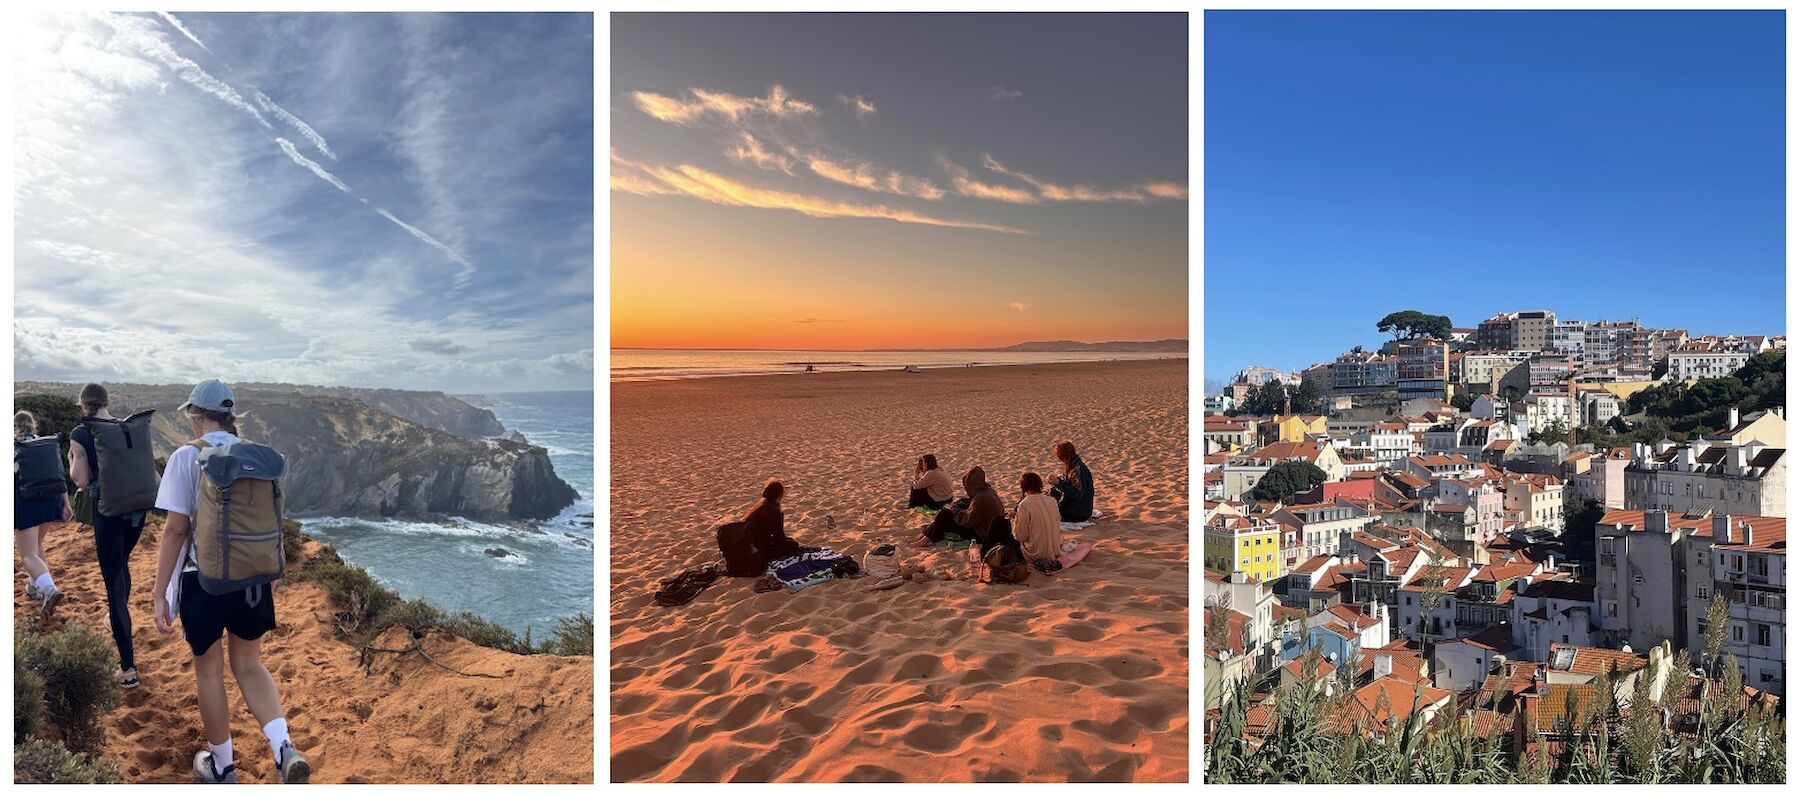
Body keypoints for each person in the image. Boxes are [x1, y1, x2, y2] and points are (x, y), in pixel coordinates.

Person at [150, 380, 309, 784]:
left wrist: (159, 592)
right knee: (250, 664)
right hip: (253, 579)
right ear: (229, 416)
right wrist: (270, 571)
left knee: (209, 671)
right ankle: (283, 748)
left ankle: (222, 767)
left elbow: (175, 530)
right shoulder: (256, 457)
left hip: (203, 580)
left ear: (196, 415)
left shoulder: (186, 456)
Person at [68, 383, 149, 689]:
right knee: (122, 563)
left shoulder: (82, 433)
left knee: (113, 588)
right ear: (107, 402)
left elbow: (81, 479)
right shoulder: (125, 428)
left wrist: (72, 458)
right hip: (137, 513)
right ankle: (115, 616)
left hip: (108, 514)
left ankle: (128, 669)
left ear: (82, 404)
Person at [14, 410, 69, 618]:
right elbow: (59, 474)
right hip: (50, 502)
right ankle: (34, 586)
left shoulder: (14, 448)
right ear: (33, 425)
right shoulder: (43, 444)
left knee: (28, 555)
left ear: (14, 427)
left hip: (26, 504)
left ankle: (48, 589)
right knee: (36, 546)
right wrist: (66, 503)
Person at [913, 467, 1020, 560]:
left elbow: (967, 521)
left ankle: (927, 538)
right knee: (960, 504)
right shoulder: (988, 490)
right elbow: (973, 506)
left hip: (981, 533)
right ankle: (927, 535)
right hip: (988, 527)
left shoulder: (980, 498)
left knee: (944, 515)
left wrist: (954, 509)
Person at [1011, 472, 1063, 567]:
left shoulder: (1024, 505)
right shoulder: (1052, 500)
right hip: (1055, 550)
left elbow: (1021, 536)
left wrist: (1016, 520)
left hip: (1035, 554)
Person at [743, 479, 801, 561]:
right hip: (759, 549)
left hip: (750, 545)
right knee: (794, 545)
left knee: (789, 541)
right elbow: (779, 539)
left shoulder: (761, 505)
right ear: (780, 495)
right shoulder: (773, 510)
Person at [1048, 440, 1095, 523]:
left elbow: (1077, 494)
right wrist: (1057, 481)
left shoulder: (1078, 469)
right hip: (1076, 507)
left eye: (1060, 458)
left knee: (1049, 513)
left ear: (1066, 456)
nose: (1060, 460)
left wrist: (1059, 483)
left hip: (1079, 512)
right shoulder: (1072, 465)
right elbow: (1068, 482)